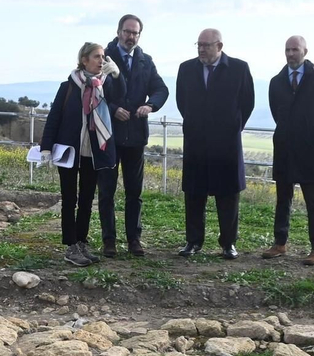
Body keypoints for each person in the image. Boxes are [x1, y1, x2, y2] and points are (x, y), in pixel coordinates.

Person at [174, 27, 254, 259]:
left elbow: (247, 102)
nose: (201, 49)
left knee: (228, 194)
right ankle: (193, 241)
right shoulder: (186, 68)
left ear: (219, 46)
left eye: (206, 45)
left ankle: (228, 243)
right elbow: (182, 101)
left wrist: (232, 126)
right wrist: (195, 123)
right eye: (198, 44)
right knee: (194, 193)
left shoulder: (239, 68)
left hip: (226, 142)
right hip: (196, 140)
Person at [39, 42, 120, 267]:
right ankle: (70, 245)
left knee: (86, 200)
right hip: (69, 151)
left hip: (92, 152)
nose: (101, 61)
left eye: (103, 57)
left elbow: (120, 96)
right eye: (97, 57)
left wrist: (118, 75)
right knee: (69, 199)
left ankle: (82, 241)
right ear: (84, 60)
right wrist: (46, 147)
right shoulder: (68, 87)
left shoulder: (105, 84)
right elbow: (54, 117)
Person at [261, 35, 314, 266]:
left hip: (310, 150)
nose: (290, 54)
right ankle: (280, 243)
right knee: (282, 198)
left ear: (305, 51)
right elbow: (277, 112)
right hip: (285, 147)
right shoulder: (276, 82)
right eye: (287, 50)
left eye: (295, 49)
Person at [99, 14, 169, 257]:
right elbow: (93, 94)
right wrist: (112, 109)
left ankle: (134, 240)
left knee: (134, 192)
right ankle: (109, 240)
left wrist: (151, 106)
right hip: (108, 135)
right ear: (118, 31)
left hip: (136, 135)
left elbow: (161, 89)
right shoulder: (102, 57)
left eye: (135, 33)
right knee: (106, 191)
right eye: (127, 32)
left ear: (139, 35)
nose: (131, 37)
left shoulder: (145, 61)